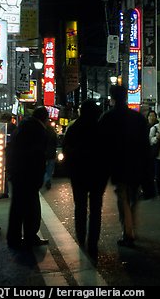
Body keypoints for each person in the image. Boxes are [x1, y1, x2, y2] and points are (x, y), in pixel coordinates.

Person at [98, 85, 153, 247]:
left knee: (123, 197)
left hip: (118, 165)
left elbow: (101, 145)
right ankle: (132, 227)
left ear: (112, 98)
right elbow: (145, 145)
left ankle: (128, 232)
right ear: (127, 97)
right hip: (137, 164)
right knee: (133, 196)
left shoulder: (107, 117)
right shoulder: (137, 118)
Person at [62, 99, 109, 260]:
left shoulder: (74, 128)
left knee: (80, 206)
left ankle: (81, 237)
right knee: (96, 209)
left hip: (79, 174)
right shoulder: (101, 128)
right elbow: (107, 153)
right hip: (97, 175)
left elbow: (66, 150)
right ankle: (93, 242)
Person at [6, 106, 50, 248]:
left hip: (18, 172)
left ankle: (14, 238)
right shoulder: (37, 130)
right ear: (44, 118)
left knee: (17, 207)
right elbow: (37, 155)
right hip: (29, 175)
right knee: (31, 208)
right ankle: (30, 237)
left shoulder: (23, 127)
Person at [43, 121, 58, 190]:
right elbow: (56, 143)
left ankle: (46, 179)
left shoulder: (42, 131)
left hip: (43, 152)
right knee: (50, 167)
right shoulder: (53, 133)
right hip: (51, 152)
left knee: (43, 167)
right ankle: (48, 179)